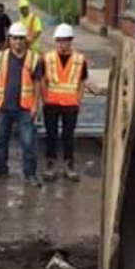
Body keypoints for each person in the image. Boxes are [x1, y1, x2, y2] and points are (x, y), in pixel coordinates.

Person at [0, 23, 44, 186]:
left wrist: (36, 105)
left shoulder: (34, 58)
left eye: (21, 38)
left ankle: (30, 174)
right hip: (4, 107)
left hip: (25, 108)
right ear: (10, 39)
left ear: (25, 40)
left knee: (28, 143)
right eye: (15, 38)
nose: (18, 42)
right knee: (0, 141)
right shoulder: (0, 57)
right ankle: (1, 170)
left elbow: (37, 84)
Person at [42, 23, 89, 182]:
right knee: (51, 135)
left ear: (71, 41)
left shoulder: (80, 59)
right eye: (59, 41)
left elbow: (82, 81)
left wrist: (78, 100)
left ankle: (69, 166)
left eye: (65, 41)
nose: (62, 44)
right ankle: (50, 164)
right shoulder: (48, 58)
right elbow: (42, 80)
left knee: (68, 136)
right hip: (51, 103)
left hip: (70, 104)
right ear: (56, 41)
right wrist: (44, 99)